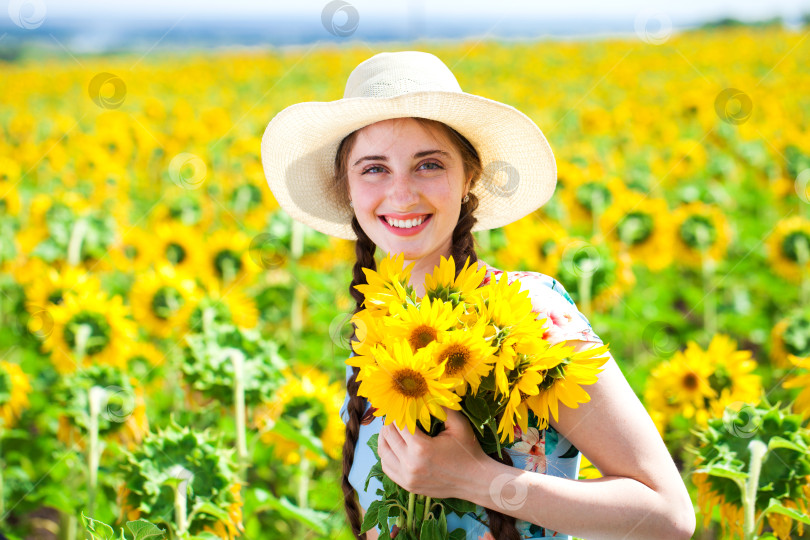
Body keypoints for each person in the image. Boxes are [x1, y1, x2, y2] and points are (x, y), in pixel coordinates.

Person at [261, 51, 695, 540]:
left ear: (469, 178)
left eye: (428, 164)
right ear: (347, 190)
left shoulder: (530, 312)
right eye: (374, 169)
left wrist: (477, 478)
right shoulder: (375, 331)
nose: (402, 194)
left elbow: (667, 517)